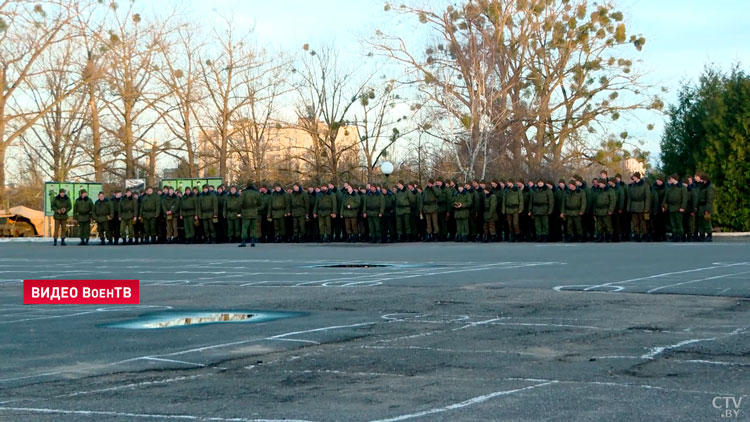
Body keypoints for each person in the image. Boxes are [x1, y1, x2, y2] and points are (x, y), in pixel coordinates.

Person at [662, 174, 687, 242]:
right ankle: (674, 235)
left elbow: (684, 198)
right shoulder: (669, 187)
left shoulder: (682, 187)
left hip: (679, 207)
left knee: (679, 223)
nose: (671, 180)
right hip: (671, 207)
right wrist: (663, 206)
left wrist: (683, 207)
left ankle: (680, 236)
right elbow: (665, 198)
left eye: (672, 178)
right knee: (672, 223)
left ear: (675, 179)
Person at [627, 172, 651, 242]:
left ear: (637, 177)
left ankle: (644, 235)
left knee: (643, 222)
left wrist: (646, 208)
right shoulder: (632, 185)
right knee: (635, 223)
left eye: (634, 177)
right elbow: (630, 197)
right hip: (634, 206)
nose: (633, 178)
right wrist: (629, 207)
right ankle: (637, 235)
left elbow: (647, 197)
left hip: (642, 206)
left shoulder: (644, 185)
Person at [239, 183, 262, 247]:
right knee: (253, 227)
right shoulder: (256, 193)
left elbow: (240, 203)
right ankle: (253, 241)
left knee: (245, 227)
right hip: (254, 212)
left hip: (246, 212)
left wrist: (239, 211)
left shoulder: (244, 193)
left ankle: (243, 241)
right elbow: (260, 202)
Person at [695, 172, 715, 242]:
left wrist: (707, 209)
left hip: (706, 207)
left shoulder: (709, 187)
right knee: (701, 222)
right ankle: (702, 235)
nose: (700, 180)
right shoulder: (702, 186)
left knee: (706, 222)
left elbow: (709, 199)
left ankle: (709, 236)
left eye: (701, 179)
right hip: (700, 207)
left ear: (704, 179)